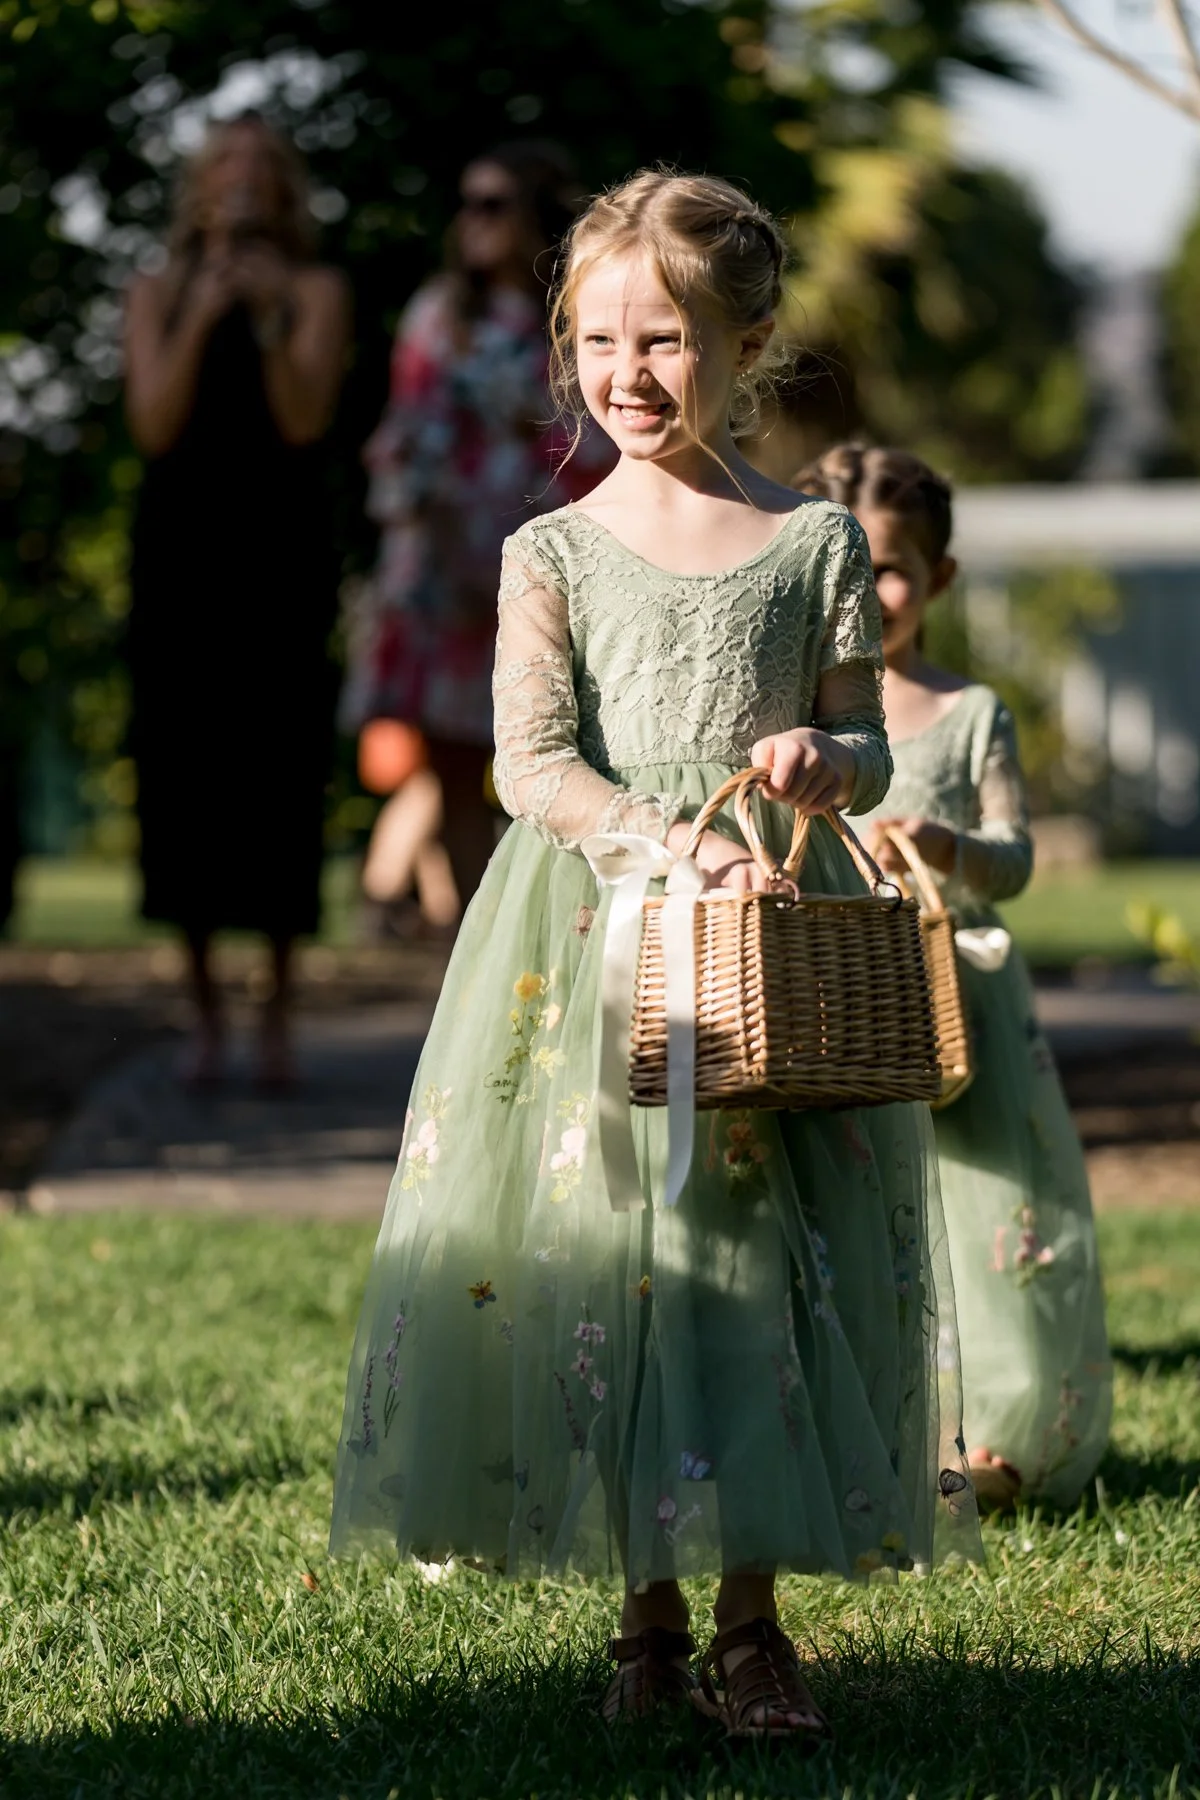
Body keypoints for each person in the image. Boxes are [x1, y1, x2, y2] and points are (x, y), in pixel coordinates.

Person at [330, 172, 980, 1740]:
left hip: (764, 946)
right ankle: (646, 1621)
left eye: (669, 340)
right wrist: (663, 839)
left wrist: (827, 764)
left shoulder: (811, 539)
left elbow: (863, 739)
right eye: (603, 339)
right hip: (598, 943)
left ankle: (750, 1626)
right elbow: (528, 765)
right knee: (621, 1263)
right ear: (569, 347)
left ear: (745, 345)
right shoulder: (553, 548)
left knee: (752, 1268)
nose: (630, 371)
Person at [796, 444, 1112, 1511]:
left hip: (957, 993)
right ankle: (872, 1425)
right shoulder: (801, 715)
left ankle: (999, 1434)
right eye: (844, 570)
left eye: (888, 570)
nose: (866, 594)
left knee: (989, 1209)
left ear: (940, 578)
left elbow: (1014, 860)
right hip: (839, 993)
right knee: (854, 1204)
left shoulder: (970, 711)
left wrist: (943, 844)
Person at [124, 112, 349, 1091]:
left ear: (285, 187)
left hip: (280, 555)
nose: (245, 178)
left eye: (263, 164)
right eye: (228, 163)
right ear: (203, 184)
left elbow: (304, 417)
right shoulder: (156, 288)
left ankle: (278, 1015)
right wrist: (203, 307)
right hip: (181, 555)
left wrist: (265, 317)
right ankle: (205, 1014)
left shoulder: (316, 289)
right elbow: (152, 421)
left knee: (278, 769)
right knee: (184, 770)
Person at [342, 141, 612, 913]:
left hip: (558, 567)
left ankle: (574, 937)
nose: (473, 220)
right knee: (456, 768)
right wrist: (442, 560)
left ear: (539, 217)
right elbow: (408, 439)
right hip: (444, 574)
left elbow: (594, 449)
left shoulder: (581, 322)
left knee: (571, 755)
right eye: (467, 204)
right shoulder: (440, 315)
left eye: (493, 204)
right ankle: (475, 949)